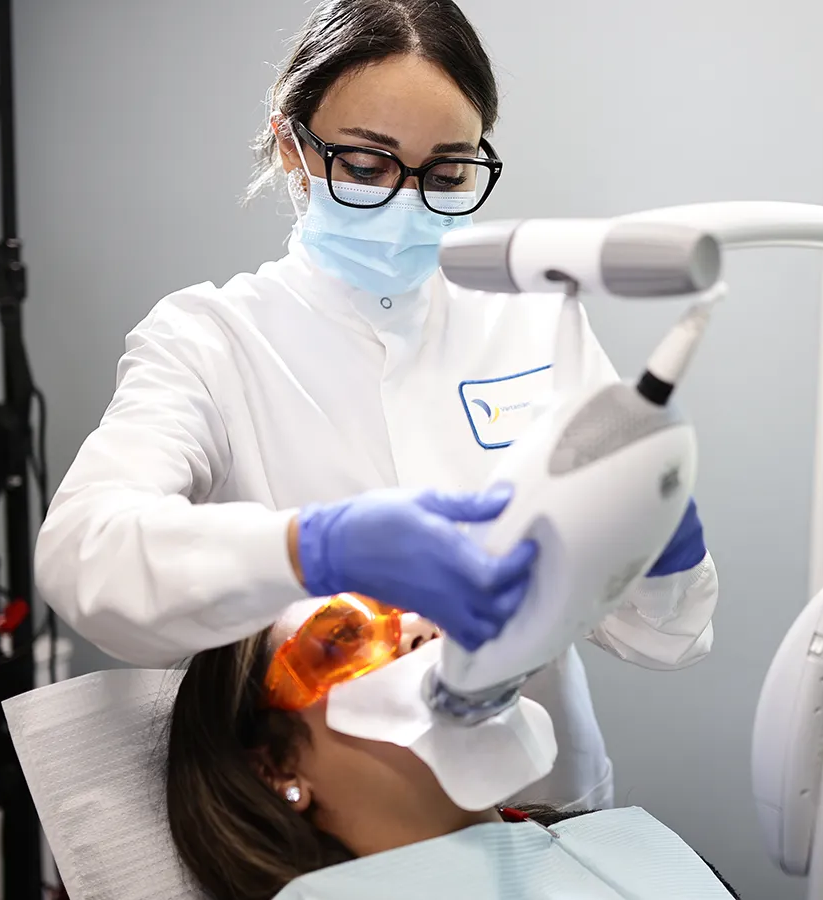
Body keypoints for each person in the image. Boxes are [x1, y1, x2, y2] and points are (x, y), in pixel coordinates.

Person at [36, 0, 719, 811]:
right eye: (365, 164)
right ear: (292, 144)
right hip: (331, 828)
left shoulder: (532, 319)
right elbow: (86, 557)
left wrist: (660, 548)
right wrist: (315, 549)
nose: (408, 204)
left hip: (540, 804)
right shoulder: (211, 340)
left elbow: (663, 638)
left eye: (447, 172)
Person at [164, 599, 740, 899]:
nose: (421, 630)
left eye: (411, 609)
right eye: (345, 636)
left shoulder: (635, 846)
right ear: (274, 767)